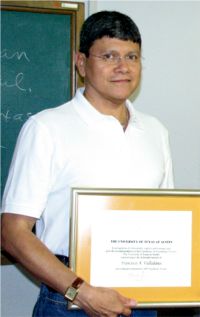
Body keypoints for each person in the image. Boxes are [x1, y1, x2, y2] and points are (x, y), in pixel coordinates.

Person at [1, 10, 174, 317]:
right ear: (81, 63)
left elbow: (167, 219)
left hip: (142, 300)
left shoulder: (156, 131)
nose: (123, 67)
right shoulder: (46, 128)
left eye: (132, 56)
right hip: (69, 301)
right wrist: (80, 292)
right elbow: (13, 232)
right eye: (109, 56)